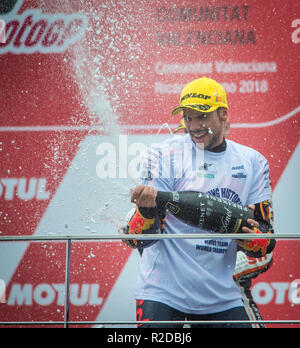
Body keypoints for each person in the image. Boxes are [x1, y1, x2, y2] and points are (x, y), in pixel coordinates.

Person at [123, 77, 275, 328]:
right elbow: (142, 239)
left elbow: (267, 239)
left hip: (222, 298)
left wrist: (252, 239)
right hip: (162, 294)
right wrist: (146, 211)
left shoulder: (254, 162)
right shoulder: (162, 154)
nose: (194, 126)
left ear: (223, 114)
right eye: (188, 117)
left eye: (202, 117)